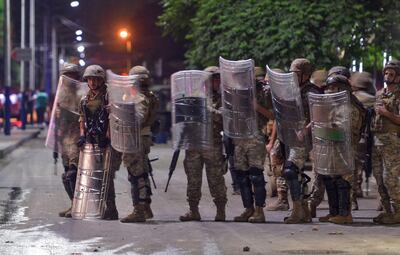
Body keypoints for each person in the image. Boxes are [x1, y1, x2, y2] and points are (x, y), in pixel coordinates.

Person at [178, 66, 228, 222]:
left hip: (212, 144)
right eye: (214, 79)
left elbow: (224, 118)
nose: (217, 82)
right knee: (193, 180)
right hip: (194, 144)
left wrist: (205, 109)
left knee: (216, 179)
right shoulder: (195, 97)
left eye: (219, 79)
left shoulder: (223, 98)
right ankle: (193, 210)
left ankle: (220, 211)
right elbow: (182, 117)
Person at [317, 75, 365, 224]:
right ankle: (334, 212)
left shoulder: (348, 108)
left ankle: (345, 214)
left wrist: (322, 130)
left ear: (341, 89)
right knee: (330, 180)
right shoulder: (336, 107)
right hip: (333, 149)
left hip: (345, 150)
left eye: (333, 88)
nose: (329, 91)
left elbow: (344, 133)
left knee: (343, 182)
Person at [77, 64, 121, 220]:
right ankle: (99, 208)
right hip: (92, 141)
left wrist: (109, 137)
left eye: (96, 79)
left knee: (106, 177)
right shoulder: (84, 99)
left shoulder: (110, 96)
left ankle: (112, 208)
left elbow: (114, 118)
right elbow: (82, 118)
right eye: (90, 79)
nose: (93, 82)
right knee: (94, 177)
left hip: (107, 142)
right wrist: (82, 136)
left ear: (101, 80)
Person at [282, 58, 323, 224]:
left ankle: (298, 211)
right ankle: (303, 210)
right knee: (294, 173)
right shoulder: (292, 90)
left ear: (305, 75)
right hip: (291, 137)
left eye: (296, 73)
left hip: (307, 139)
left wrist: (305, 129)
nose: (292, 76)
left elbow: (320, 114)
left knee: (291, 170)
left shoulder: (312, 92)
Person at [233, 66, 272, 223]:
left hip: (255, 137)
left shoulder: (262, 92)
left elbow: (272, 115)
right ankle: (248, 209)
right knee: (241, 177)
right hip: (239, 138)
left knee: (256, 175)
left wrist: (257, 107)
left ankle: (259, 211)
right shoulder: (236, 93)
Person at [120, 66, 160, 223]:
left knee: (136, 176)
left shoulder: (139, 98)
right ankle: (146, 207)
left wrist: (122, 117)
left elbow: (139, 118)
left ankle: (139, 210)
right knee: (141, 173)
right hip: (140, 138)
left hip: (135, 139)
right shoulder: (146, 96)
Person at [371, 60, 400, 224]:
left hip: (392, 141)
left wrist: (385, 113)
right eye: (386, 73)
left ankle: (398, 211)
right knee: (379, 179)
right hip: (377, 140)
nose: (387, 76)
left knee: (390, 178)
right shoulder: (380, 94)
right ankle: (388, 211)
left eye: (391, 74)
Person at [56, 63, 82, 218]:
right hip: (64, 139)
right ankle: (73, 203)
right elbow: (56, 117)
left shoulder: (81, 95)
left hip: (76, 138)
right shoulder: (61, 95)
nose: (68, 79)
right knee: (66, 172)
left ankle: (79, 205)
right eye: (65, 76)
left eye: (71, 76)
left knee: (73, 173)